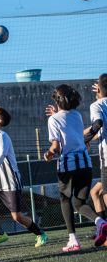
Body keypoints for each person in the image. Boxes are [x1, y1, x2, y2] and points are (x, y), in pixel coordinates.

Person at [44, 84, 107, 250]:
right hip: (85, 163)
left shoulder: (53, 120)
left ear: (57, 101)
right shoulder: (77, 115)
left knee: (65, 199)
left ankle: (73, 239)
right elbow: (73, 132)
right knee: (79, 203)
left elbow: (56, 147)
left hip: (68, 165)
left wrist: (49, 154)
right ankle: (101, 222)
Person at [0, 107, 48, 249]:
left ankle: (40, 233)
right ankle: (0, 234)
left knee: (16, 217)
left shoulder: (2, 136)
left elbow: (0, 157)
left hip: (10, 183)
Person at [85, 75, 107, 221]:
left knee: (105, 192)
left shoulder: (96, 105)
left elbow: (98, 129)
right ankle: (102, 227)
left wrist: (85, 139)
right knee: (95, 192)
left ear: (98, 88)